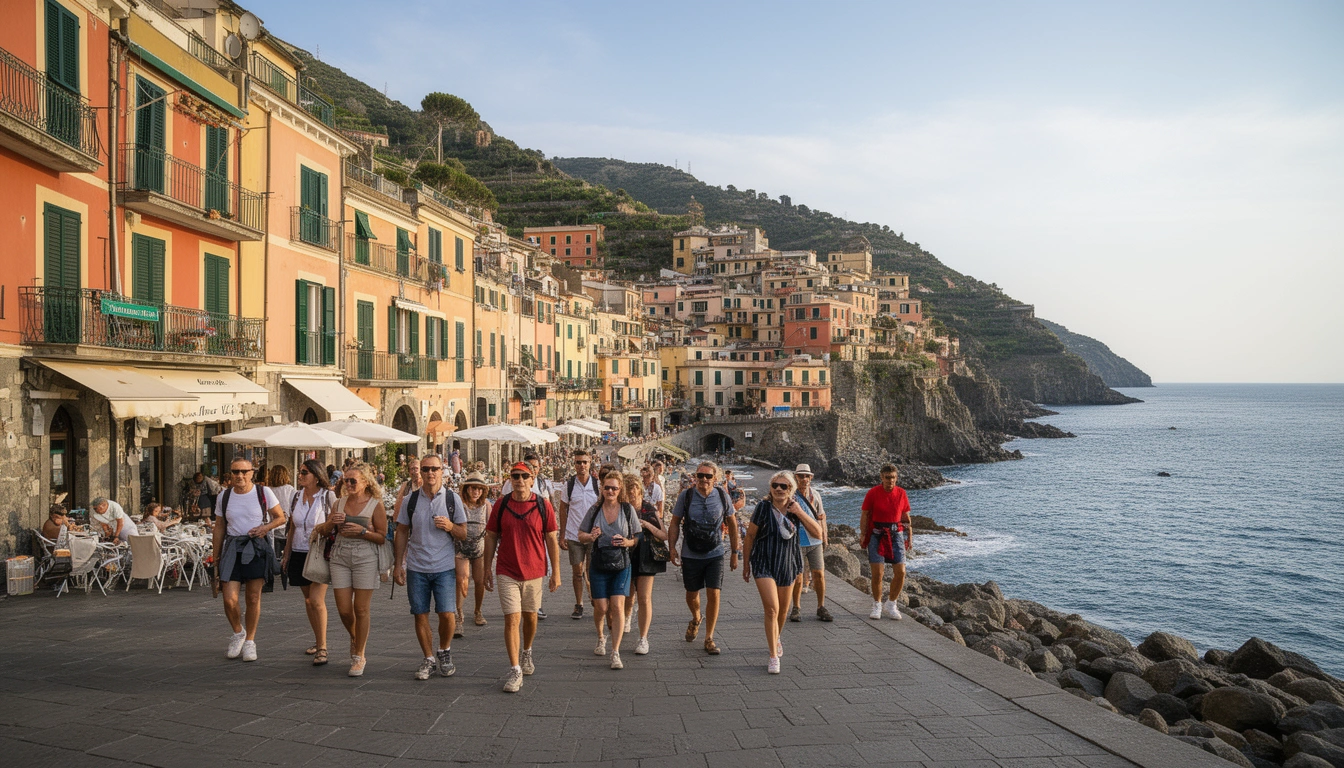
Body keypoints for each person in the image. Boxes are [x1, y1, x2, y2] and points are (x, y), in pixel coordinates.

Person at [484, 462, 561, 693]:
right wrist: (487, 567)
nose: (518, 479)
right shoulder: (501, 504)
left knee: (530, 618)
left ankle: (527, 651)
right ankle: (515, 668)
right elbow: (490, 536)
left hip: (534, 570)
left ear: (532, 478)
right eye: (514, 476)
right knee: (512, 619)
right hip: (507, 569)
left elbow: (551, 539)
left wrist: (555, 572)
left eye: (523, 476)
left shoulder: (542, 504)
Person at [393, 454, 467, 681]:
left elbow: (464, 532)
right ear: (420, 472)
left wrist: (450, 526)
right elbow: (402, 531)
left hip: (444, 566)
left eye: (434, 468)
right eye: (425, 469)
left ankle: (444, 650)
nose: (430, 473)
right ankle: (428, 657)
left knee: (447, 613)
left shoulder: (452, 499)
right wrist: (398, 564)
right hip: (417, 566)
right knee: (420, 614)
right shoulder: (410, 501)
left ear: (442, 471)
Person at [742, 471, 823, 674]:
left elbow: (817, 533)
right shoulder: (763, 507)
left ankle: (776, 636)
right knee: (772, 609)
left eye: (784, 486)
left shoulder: (796, 509)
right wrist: (745, 564)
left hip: (787, 564)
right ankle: (772, 656)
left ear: (791, 490)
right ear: (770, 488)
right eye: (775, 485)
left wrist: (799, 512)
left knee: (783, 612)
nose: (779, 489)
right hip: (763, 563)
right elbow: (750, 536)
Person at [315, 462, 387, 676]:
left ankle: (359, 655)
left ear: (365, 482)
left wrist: (363, 531)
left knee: (361, 609)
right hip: (340, 555)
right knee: (344, 609)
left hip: (365, 556)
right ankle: (356, 637)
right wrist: (330, 524)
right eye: (345, 480)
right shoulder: (338, 503)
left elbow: (382, 537)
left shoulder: (375, 505)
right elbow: (325, 530)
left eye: (353, 480)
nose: (348, 484)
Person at [211, 456, 286, 662]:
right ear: (230, 474)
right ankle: (238, 632)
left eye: (244, 471)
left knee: (253, 597)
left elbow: (281, 517)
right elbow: (219, 527)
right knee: (229, 598)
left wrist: (265, 527)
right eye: (236, 472)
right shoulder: (224, 497)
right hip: (233, 547)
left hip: (255, 547)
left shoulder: (264, 492)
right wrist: (215, 556)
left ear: (252, 472)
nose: (240, 476)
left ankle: (250, 640)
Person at [667, 461, 740, 655]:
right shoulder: (686, 496)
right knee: (692, 594)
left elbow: (732, 524)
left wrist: (734, 552)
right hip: (691, 552)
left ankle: (709, 637)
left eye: (708, 476)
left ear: (715, 479)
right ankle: (696, 617)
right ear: (695, 477)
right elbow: (674, 523)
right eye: (700, 476)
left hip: (715, 552)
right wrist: (672, 548)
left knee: (714, 592)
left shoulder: (722, 496)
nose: (704, 480)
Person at [577, 473, 640, 669]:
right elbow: (580, 535)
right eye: (607, 488)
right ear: (602, 489)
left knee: (617, 607)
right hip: (599, 563)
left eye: (614, 488)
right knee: (602, 608)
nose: (610, 491)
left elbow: (638, 536)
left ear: (620, 490)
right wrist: (591, 536)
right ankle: (600, 636)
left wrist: (628, 542)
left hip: (621, 563)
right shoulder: (595, 510)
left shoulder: (627, 510)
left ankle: (616, 652)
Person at [283, 460, 336, 665]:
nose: (300, 475)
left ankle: (322, 647)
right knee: (308, 600)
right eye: (300, 472)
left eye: (304, 472)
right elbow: (292, 527)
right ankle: (318, 639)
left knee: (316, 600)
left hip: (319, 552)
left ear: (316, 475)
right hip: (298, 551)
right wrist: (286, 553)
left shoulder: (327, 496)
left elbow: (335, 521)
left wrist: (323, 528)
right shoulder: (296, 496)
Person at [860, 464, 914, 621]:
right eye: (887, 477)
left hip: (896, 534)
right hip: (877, 534)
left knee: (901, 572)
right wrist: (863, 534)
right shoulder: (873, 493)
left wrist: (910, 536)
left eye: (893, 478)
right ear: (881, 477)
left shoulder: (901, 493)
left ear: (896, 478)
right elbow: (865, 514)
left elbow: (905, 516)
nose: (890, 480)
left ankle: (891, 603)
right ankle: (877, 604)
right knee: (878, 573)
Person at [622, 472, 666, 655]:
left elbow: (663, 535)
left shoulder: (649, 509)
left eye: (634, 492)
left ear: (640, 491)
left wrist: (646, 525)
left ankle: (643, 639)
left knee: (644, 598)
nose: (632, 496)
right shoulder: (621, 509)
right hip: (625, 556)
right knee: (628, 596)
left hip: (646, 556)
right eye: (628, 493)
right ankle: (627, 616)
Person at [557, 449, 600, 621]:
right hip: (574, 535)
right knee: (577, 571)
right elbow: (562, 510)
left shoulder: (597, 485)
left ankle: (594, 598)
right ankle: (579, 603)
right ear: (574, 464)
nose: (581, 465)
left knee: (590, 571)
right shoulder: (568, 485)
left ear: (590, 463)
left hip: (592, 535)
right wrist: (562, 534)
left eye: (584, 462)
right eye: (578, 462)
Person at [788, 464, 833, 622]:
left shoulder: (816, 496)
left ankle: (821, 606)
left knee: (819, 574)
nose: (804, 479)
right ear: (796, 477)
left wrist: (824, 537)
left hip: (815, 540)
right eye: (801, 476)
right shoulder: (791, 495)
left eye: (807, 476)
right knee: (798, 577)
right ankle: (796, 607)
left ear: (811, 478)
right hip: (797, 541)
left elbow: (821, 517)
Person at [455, 472, 492, 629]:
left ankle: (478, 610)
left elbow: (491, 530)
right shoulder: (459, 504)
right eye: (473, 488)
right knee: (461, 579)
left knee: (479, 581)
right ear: (466, 489)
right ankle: (458, 612)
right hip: (461, 546)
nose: (476, 491)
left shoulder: (486, 506)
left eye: (479, 488)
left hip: (479, 548)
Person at [265, 465, 296, 591]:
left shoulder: (267, 490)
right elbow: (294, 504)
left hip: (271, 525)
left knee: (273, 553)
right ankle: (286, 571)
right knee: (287, 551)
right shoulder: (290, 489)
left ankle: (272, 574)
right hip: (287, 524)